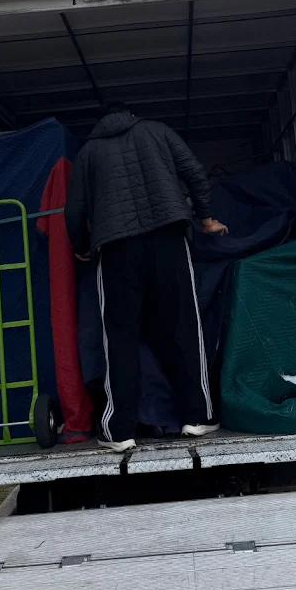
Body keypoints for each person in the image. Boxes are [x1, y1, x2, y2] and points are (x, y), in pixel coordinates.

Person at [64, 102, 228, 451]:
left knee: (119, 339)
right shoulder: (158, 131)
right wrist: (206, 218)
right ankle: (197, 416)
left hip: (115, 248)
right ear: (132, 116)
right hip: (168, 237)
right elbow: (195, 172)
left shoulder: (89, 151)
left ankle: (119, 430)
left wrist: (82, 245)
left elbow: (74, 207)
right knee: (185, 326)